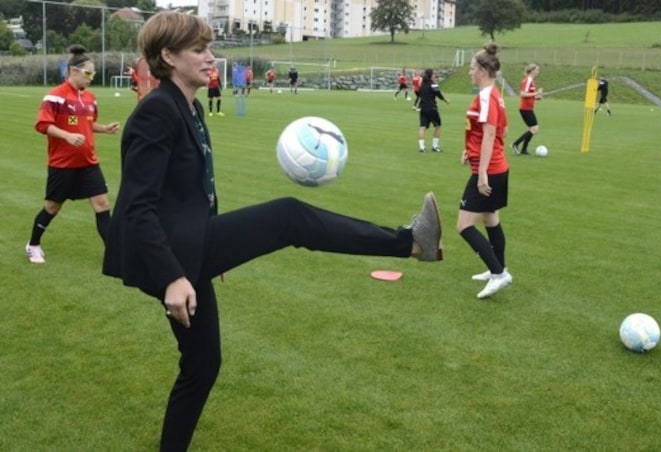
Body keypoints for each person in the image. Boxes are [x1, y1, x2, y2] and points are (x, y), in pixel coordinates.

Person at [101, 11, 443, 451]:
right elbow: (137, 207)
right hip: (165, 254)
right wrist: (173, 275)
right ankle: (412, 242)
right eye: (199, 50)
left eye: (210, 48)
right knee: (289, 217)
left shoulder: (189, 106)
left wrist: (213, 247)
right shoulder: (156, 112)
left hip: (189, 244)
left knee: (203, 364)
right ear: (167, 56)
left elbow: (192, 188)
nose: (211, 58)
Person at [26, 44, 120, 264]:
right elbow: (42, 125)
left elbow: (87, 124)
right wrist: (67, 136)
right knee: (52, 207)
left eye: (93, 72)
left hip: (88, 163)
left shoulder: (90, 98)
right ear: (73, 71)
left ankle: (115, 254)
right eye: (88, 72)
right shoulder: (55, 97)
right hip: (63, 164)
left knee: (102, 204)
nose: (92, 77)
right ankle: (33, 245)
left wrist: (104, 128)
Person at [460, 43, 512, 299]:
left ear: (482, 70)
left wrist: (481, 173)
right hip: (496, 166)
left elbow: (491, 134)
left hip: (489, 170)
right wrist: (468, 150)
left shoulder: (487, 95)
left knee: (464, 225)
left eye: (471, 68)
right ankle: (497, 270)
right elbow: (500, 130)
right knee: (491, 219)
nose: (469, 73)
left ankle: (498, 273)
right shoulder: (495, 95)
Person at [510, 63, 542, 155]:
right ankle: (515, 144)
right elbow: (523, 94)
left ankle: (524, 150)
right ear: (532, 71)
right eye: (537, 70)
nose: (538, 71)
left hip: (528, 108)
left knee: (531, 129)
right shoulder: (528, 80)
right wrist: (536, 93)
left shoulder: (531, 80)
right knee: (534, 129)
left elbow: (529, 95)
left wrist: (536, 97)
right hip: (525, 109)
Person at [417, 68, 449, 153]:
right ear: (430, 75)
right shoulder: (433, 84)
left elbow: (419, 94)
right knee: (438, 126)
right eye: (434, 74)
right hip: (432, 108)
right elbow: (439, 94)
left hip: (423, 108)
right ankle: (435, 146)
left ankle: (422, 147)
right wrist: (446, 100)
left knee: (422, 127)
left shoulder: (422, 84)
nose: (435, 75)